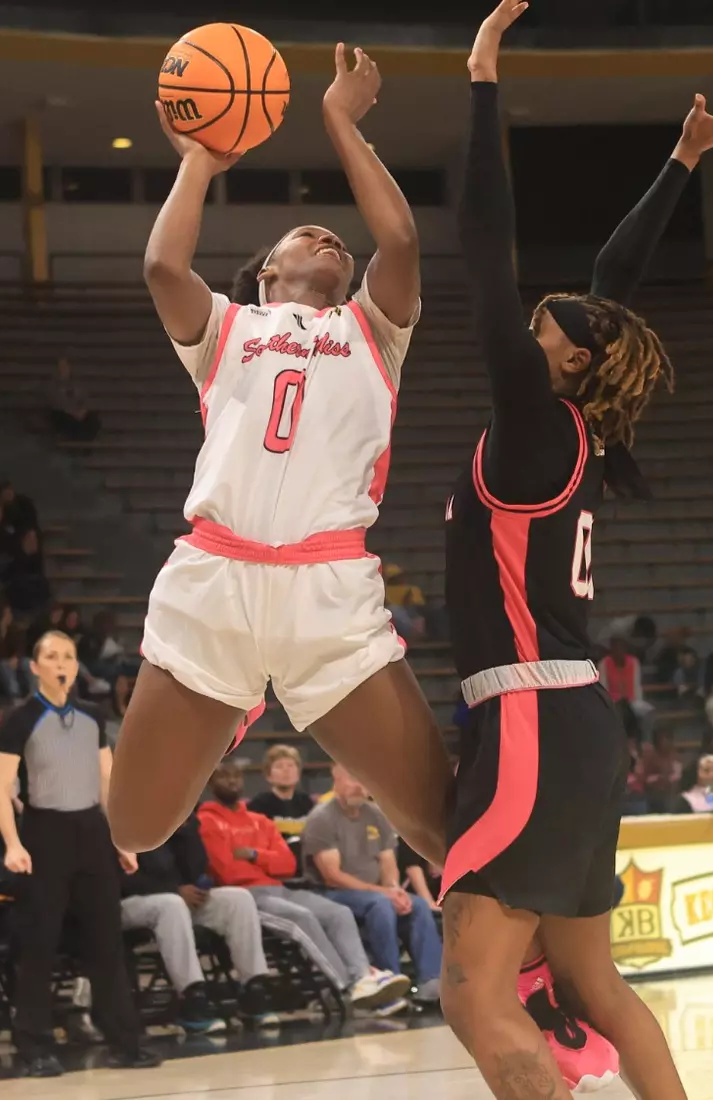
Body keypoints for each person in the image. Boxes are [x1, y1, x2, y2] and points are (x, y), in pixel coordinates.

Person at [441, 7, 713, 1097]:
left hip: (531, 717)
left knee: (473, 990)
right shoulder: (578, 426)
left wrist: (483, 85)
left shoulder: (536, 422)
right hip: (575, 723)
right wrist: (679, 159)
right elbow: (608, 288)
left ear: (572, 364)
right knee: (596, 986)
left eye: (545, 329)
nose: (526, 329)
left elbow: (484, 249)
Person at [108, 33, 456, 879]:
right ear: (266, 272)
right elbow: (162, 263)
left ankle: (526, 971)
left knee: (443, 826)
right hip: (214, 582)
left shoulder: (371, 331)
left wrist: (341, 120)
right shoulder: (226, 329)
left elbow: (400, 243)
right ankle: (230, 701)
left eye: (337, 241)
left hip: (325, 596)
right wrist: (197, 159)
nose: (328, 239)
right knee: (136, 823)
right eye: (307, 235)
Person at [0, 631, 160, 1077]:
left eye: (67, 655)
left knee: (107, 942)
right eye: (51, 655)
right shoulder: (19, 719)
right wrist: (12, 843)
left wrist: (122, 838)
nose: (60, 662)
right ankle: (35, 1046)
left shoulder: (92, 715)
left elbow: (107, 780)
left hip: (91, 832)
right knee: (39, 944)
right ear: (35, 666)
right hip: (44, 832)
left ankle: (125, 1040)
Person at [198, 760, 410, 1012]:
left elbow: (287, 864)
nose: (232, 782)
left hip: (280, 888)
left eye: (236, 776)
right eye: (224, 777)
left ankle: (363, 979)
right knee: (302, 917)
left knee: (338, 913)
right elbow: (228, 871)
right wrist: (267, 860)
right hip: (244, 897)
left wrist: (254, 854)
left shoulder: (260, 821)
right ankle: (352, 986)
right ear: (210, 784)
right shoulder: (206, 821)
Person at [119, 809, 277, 1031]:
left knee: (238, 899)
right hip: (124, 903)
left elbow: (196, 869)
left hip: (176, 898)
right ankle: (192, 996)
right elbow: (118, 877)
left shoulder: (176, 814)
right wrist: (174, 890)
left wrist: (186, 832)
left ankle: (254, 989)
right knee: (170, 905)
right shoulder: (118, 814)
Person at [303, 765, 443, 1005]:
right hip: (332, 894)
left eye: (363, 779)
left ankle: (432, 981)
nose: (358, 785)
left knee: (417, 905)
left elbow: (388, 862)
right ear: (336, 779)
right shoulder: (322, 818)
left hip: (374, 893)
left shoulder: (377, 814)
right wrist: (384, 893)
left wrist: (395, 889)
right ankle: (390, 981)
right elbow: (332, 876)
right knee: (381, 905)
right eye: (352, 779)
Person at [247, 744, 317, 840]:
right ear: (268, 775)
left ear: (298, 773)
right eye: (279, 766)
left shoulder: (307, 802)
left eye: (290, 765)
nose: (286, 770)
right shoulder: (258, 805)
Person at [599, 635, 653, 742]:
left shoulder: (634, 662)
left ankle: (646, 743)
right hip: (613, 703)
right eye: (615, 647)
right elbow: (603, 689)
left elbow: (637, 687)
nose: (618, 650)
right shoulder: (604, 663)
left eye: (621, 647)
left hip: (632, 702)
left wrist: (635, 702)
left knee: (649, 714)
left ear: (626, 648)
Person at [47, 358, 103, 443]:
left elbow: (84, 397)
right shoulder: (52, 384)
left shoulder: (77, 383)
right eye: (61, 367)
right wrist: (70, 411)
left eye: (65, 366)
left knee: (93, 420)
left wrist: (83, 410)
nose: (64, 369)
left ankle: (86, 441)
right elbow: (54, 401)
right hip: (62, 413)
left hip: (77, 411)